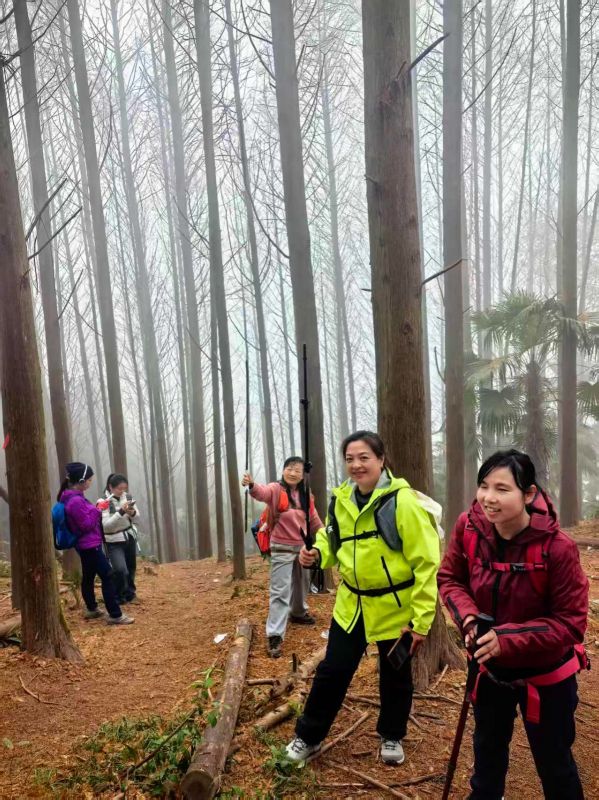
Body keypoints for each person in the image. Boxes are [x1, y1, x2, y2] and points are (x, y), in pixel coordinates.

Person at [438, 449, 589, 800]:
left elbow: (571, 623)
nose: (489, 498)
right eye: (484, 486)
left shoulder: (557, 548)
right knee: (486, 759)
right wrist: (468, 618)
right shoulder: (469, 528)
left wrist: (506, 639)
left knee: (556, 765)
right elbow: (450, 578)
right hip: (489, 671)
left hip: (547, 678)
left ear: (529, 494)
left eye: (502, 489)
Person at [285, 431, 440, 765]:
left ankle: (392, 735)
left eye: (364, 457)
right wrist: (317, 554)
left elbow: (427, 563)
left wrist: (421, 620)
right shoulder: (341, 499)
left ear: (381, 460)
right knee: (333, 670)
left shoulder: (403, 502)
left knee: (395, 674)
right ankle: (308, 737)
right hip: (351, 605)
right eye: (350, 459)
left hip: (394, 607)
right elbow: (332, 540)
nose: (356, 465)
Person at [241, 457, 323, 658]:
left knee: (302, 583)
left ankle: (298, 613)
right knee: (280, 591)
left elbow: (313, 520)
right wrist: (251, 485)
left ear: (303, 475)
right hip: (281, 548)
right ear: (284, 470)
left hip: (302, 547)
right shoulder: (276, 489)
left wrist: (325, 536)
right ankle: (275, 635)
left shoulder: (306, 495)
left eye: (297, 470)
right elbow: (262, 492)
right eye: (289, 469)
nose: (293, 473)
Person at [58, 462, 134, 625]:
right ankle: (115, 614)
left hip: (85, 544)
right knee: (108, 575)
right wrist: (98, 509)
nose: (90, 482)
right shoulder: (75, 501)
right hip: (89, 544)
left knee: (89, 575)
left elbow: (84, 517)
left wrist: (95, 508)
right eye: (89, 480)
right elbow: (86, 524)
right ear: (81, 480)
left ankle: (92, 608)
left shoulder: (74, 497)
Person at [98, 473, 140, 604]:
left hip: (129, 536)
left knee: (131, 567)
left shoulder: (127, 497)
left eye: (124, 488)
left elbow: (137, 517)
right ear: (110, 487)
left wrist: (132, 512)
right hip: (113, 541)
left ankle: (130, 594)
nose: (122, 491)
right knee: (120, 569)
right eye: (119, 488)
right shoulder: (103, 502)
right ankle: (118, 595)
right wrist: (121, 512)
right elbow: (105, 526)